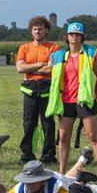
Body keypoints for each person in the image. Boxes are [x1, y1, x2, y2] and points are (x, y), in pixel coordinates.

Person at [52, 18, 97, 169]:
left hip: (85, 100)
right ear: (67, 36)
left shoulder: (90, 53)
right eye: (71, 34)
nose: (74, 37)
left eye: (77, 34)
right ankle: (62, 172)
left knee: (93, 136)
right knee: (63, 138)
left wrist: (94, 95)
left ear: (82, 37)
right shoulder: (59, 56)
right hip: (66, 100)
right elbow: (51, 72)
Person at [13, 16, 59, 165]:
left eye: (40, 29)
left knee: (48, 123)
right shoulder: (24, 48)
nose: (38, 32)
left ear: (46, 30)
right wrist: (40, 64)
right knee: (29, 123)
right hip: (30, 89)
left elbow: (51, 68)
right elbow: (20, 68)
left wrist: (31, 67)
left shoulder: (54, 48)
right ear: (31, 32)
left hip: (47, 87)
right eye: (35, 29)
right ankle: (27, 154)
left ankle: (48, 154)